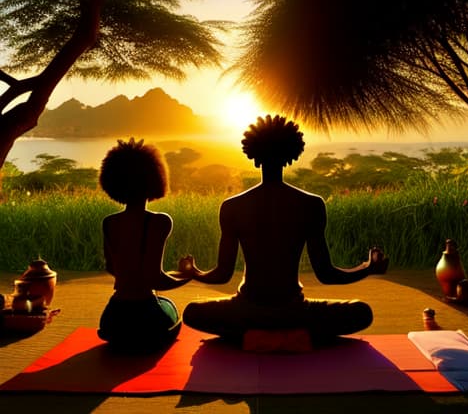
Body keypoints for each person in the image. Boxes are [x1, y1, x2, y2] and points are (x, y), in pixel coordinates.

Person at [179, 115, 388, 346]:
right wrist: (368, 268)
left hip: (246, 311)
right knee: (361, 313)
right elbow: (326, 274)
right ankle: (294, 335)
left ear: (254, 158)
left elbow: (223, 275)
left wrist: (194, 273)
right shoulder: (311, 204)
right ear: (291, 157)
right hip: (294, 312)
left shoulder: (232, 207)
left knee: (192, 313)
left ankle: (251, 336)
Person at [97, 138, 189, 353]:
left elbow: (113, 268)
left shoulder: (109, 223)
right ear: (155, 178)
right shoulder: (159, 221)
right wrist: (188, 275)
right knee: (169, 308)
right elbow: (154, 279)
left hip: (113, 318)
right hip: (147, 318)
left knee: (161, 302)